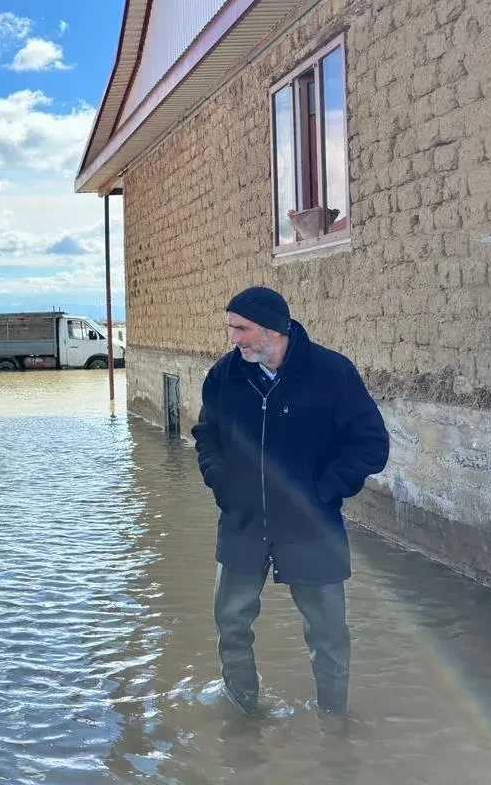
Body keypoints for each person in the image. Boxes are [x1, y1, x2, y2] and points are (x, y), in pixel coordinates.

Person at [192, 286, 389, 716]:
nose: (234, 339)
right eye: (231, 328)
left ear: (273, 329)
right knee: (231, 623)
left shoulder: (332, 373)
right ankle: (243, 712)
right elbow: (206, 434)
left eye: (241, 328)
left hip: (311, 526)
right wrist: (221, 481)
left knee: (329, 632)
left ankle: (333, 721)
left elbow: (370, 445)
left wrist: (322, 491)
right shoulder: (224, 375)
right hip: (242, 523)